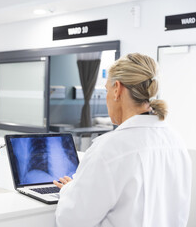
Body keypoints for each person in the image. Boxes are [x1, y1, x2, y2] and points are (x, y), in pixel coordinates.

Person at [53, 53, 192, 227]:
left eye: (106, 90)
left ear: (117, 89)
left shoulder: (109, 149)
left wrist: (68, 189)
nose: (106, 97)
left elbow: (71, 220)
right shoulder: (175, 141)